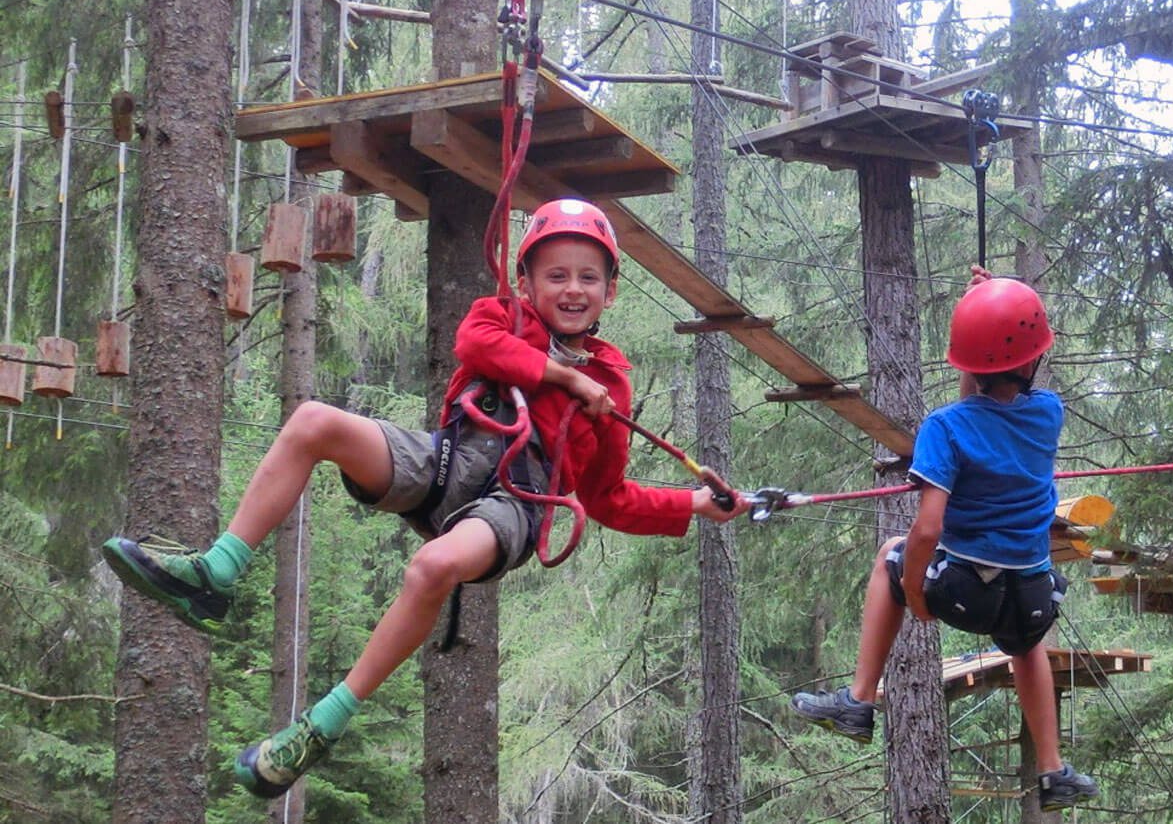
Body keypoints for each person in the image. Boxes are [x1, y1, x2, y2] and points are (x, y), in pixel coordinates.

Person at [102, 198, 748, 798]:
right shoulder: (502, 316)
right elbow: (475, 346)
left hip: (514, 503)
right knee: (313, 423)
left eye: (587, 277)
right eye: (555, 275)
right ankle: (217, 572)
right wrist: (558, 375)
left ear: (609, 290)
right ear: (526, 283)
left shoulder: (611, 385)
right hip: (447, 458)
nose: (572, 289)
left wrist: (693, 503)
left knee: (433, 566)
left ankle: (323, 724)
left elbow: (607, 499)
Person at [789, 269, 1098, 811]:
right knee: (1028, 646)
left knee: (891, 551)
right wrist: (987, 299)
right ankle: (1053, 770)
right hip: (1029, 596)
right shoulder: (1048, 413)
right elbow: (982, 404)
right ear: (1032, 361)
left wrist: (912, 590)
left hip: (967, 591)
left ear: (967, 364)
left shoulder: (943, 427)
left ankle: (858, 702)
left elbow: (928, 527)